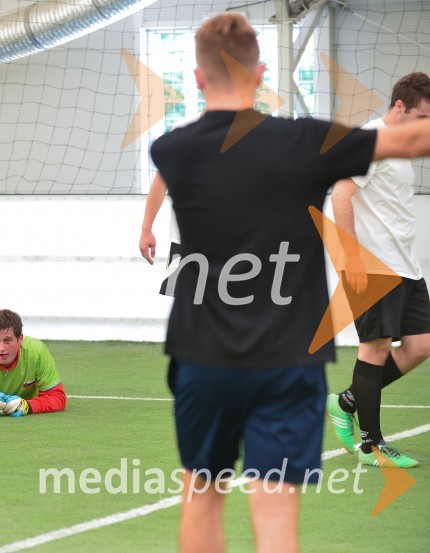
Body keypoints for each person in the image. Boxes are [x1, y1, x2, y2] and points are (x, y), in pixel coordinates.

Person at [139, 13, 430, 553]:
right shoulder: (309, 142)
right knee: (276, 518)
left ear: (197, 79)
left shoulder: (172, 150)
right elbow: (412, 140)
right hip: (289, 364)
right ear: (261, 74)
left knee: (202, 501)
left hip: (202, 359)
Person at [326, 72, 430, 468]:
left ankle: (345, 402)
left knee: (421, 345)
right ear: (399, 106)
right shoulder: (369, 141)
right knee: (376, 349)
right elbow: (341, 196)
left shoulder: (402, 145)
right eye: (422, 118)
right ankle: (372, 445)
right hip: (374, 265)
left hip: (407, 265)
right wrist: (353, 257)